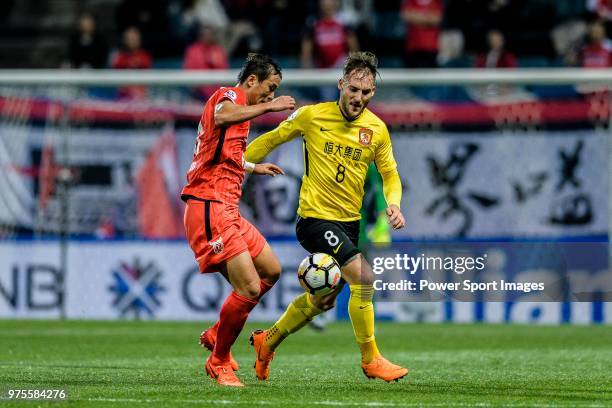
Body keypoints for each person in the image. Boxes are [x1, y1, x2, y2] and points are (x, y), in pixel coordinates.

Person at [245, 51, 408, 382]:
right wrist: (236, 161)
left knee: (323, 299)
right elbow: (272, 139)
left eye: (365, 93)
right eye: (353, 90)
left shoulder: (377, 130)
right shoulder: (311, 116)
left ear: (373, 93)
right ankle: (371, 359)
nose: (358, 98)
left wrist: (394, 203)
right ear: (340, 85)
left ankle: (267, 340)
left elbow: (390, 173)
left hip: (349, 224)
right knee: (364, 278)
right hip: (315, 220)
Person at [181, 53, 296, 387]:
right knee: (247, 287)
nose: (270, 97)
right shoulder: (227, 97)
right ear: (251, 81)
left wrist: (252, 167)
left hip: (228, 209)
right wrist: (268, 108)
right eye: (269, 89)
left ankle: (218, 332)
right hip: (209, 205)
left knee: (271, 271)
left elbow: (221, 152)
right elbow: (222, 114)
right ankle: (218, 362)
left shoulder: (241, 116)